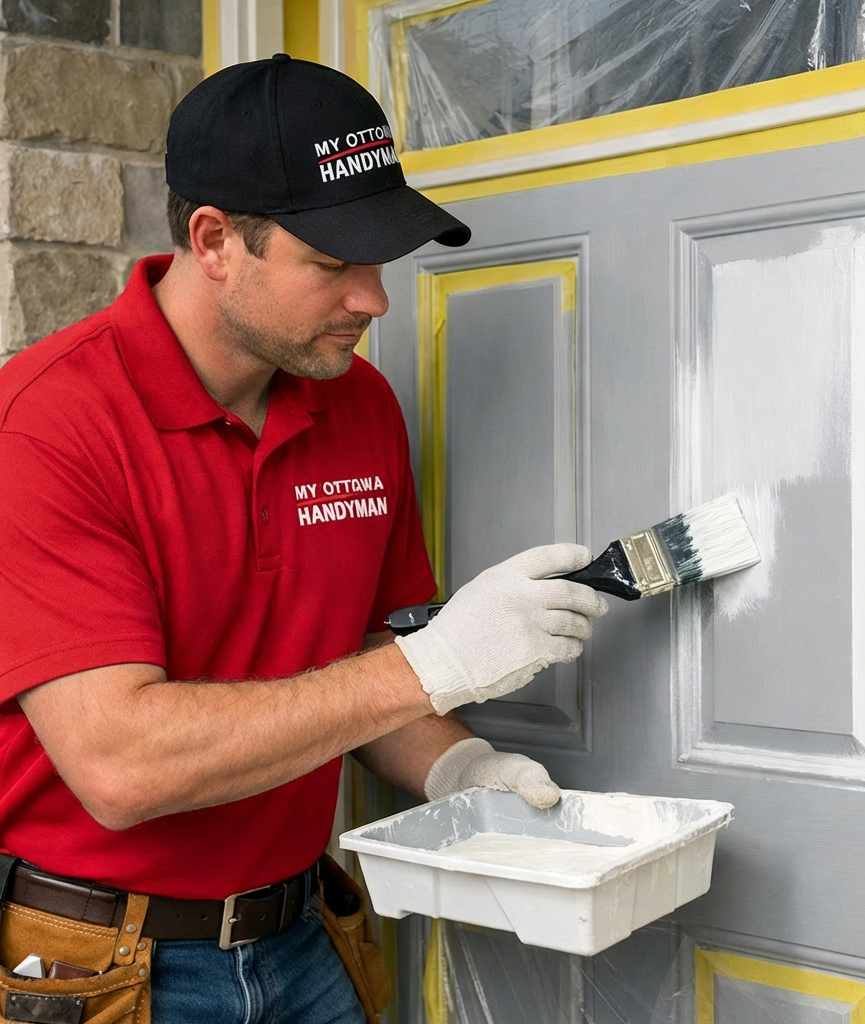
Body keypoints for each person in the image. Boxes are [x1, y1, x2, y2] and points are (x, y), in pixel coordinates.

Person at [0, 56, 608, 1023]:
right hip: (101, 967)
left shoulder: (357, 404)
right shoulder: (48, 426)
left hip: (307, 936)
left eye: (380, 256)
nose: (375, 298)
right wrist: (432, 667)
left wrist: (457, 765)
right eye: (334, 262)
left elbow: (368, 659)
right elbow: (121, 766)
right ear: (214, 242)